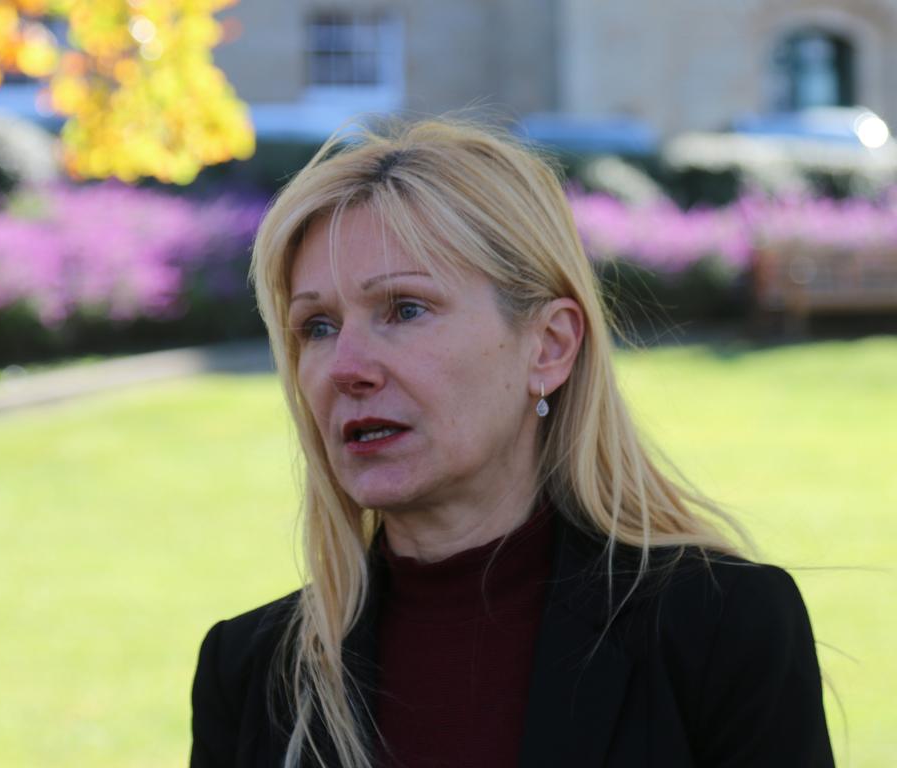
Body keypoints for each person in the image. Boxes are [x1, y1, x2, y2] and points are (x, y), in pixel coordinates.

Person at [189, 118, 834, 768]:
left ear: (550, 347)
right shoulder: (248, 674)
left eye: (405, 309)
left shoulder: (719, 629)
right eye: (318, 326)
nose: (344, 366)